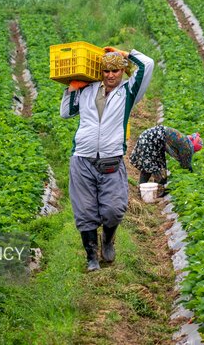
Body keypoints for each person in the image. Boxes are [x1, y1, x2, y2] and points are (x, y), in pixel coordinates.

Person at [60, 46, 154, 271]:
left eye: (115, 71)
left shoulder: (128, 92)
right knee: (85, 212)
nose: (111, 75)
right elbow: (66, 112)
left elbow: (147, 64)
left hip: (111, 161)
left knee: (114, 210)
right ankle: (91, 257)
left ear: (122, 72)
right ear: (100, 72)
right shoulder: (88, 90)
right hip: (82, 159)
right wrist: (71, 89)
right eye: (106, 71)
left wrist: (126, 54)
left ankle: (108, 239)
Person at [129, 125, 203, 190]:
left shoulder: (184, 139)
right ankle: (152, 190)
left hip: (149, 138)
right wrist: (192, 175)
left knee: (154, 166)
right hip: (151, 140)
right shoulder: (187, 146)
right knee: (153, 167)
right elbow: (185, 165)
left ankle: (149, 189)